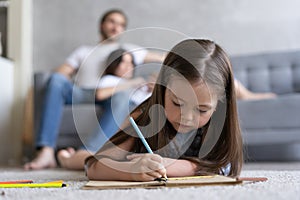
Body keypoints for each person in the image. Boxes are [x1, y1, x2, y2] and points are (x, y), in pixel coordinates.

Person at [24, 9, 164, 170]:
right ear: (102, 24)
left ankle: (88, 152)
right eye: (112, 21)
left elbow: (164, 58)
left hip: (113, 95)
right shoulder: (83, 51)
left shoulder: (129, 51)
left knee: (122, 95)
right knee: (56, 80)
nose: (115, 27)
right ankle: (46, 151)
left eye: (121, 24)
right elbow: (60, 74)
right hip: (83, 92)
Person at [85, 39, 244, 181]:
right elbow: (93, 166)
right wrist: (130, 171)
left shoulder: (219, 124)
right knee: (81, 159)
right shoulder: (143, 115)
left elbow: (225, 166)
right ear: (162, 89)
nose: (187, 118)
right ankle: (65, 157)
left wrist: (173, 166)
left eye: (202, 110)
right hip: (121, 156)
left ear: (219, 105)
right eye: (177, 103)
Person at [57, 48, 153, 170]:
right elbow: (100, 94)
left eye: (130, 62)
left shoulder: (142, 86)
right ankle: (72, 158)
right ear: (114, 64)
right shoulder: (110, 80)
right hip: (124, 116)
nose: (128, 66)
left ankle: (73, 157)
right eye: (123, 62)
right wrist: (132, 83)